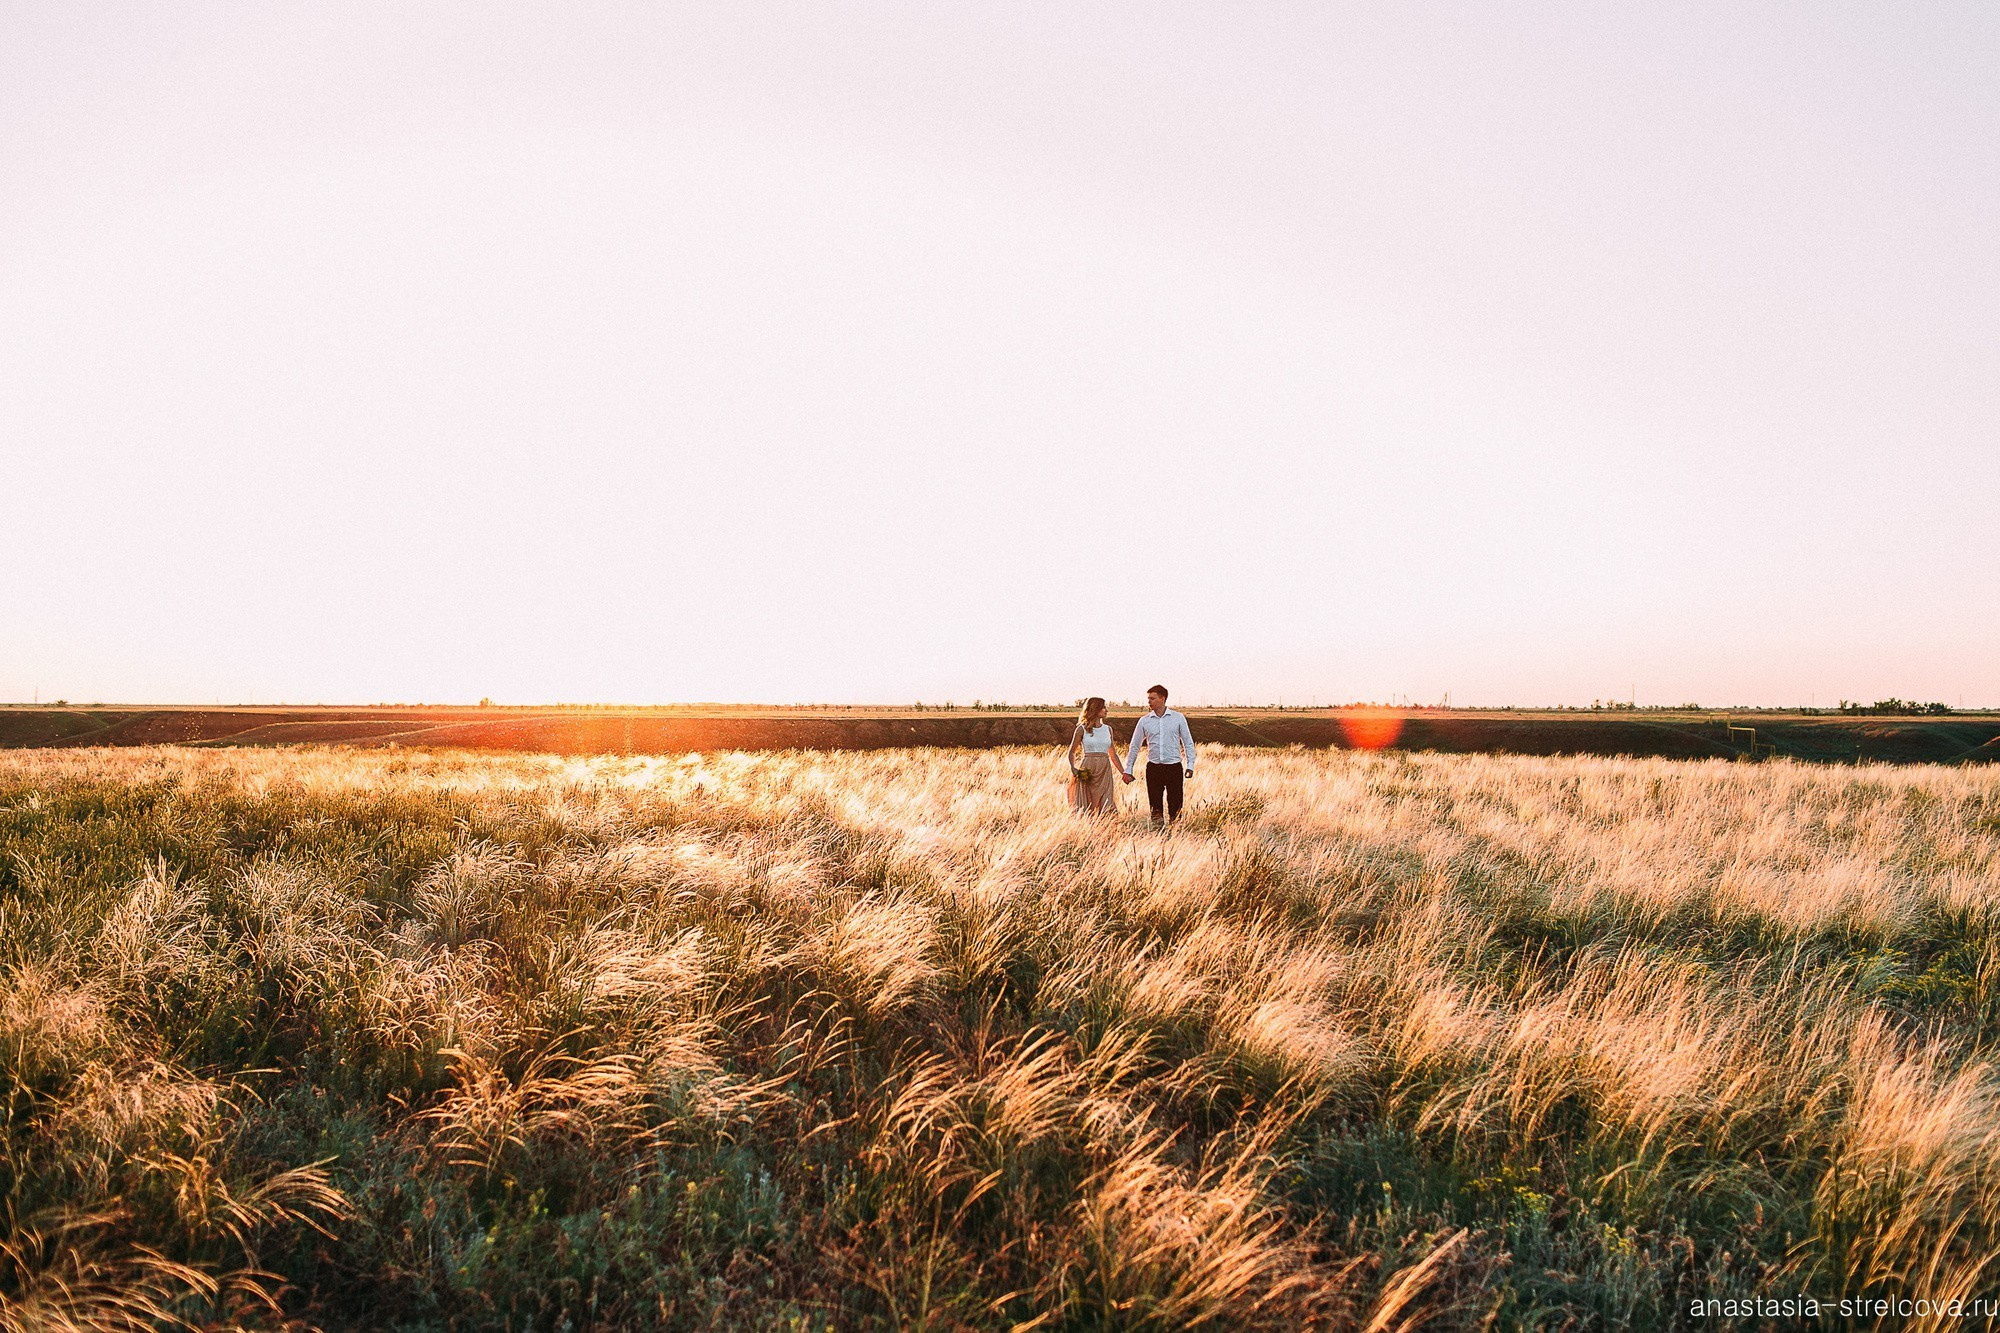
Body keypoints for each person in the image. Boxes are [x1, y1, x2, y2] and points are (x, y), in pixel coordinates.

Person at [1124, 684, 1195, 825]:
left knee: (1176, 806)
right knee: (1155, 806)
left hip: (1174, 767)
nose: (1149, 702)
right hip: (1153, 768)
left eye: (1152, 698)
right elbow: (1134, 746)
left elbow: (1188, 743)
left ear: (1162, 698)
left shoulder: (1178, 718)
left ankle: (1176, 832)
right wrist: (1128, 769)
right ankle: (1158, 833)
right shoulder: (1144, 721)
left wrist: (1190, 765)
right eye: (1148, 698)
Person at [1067, 696, 1129, 814]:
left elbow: (1113, 754)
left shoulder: (1108, 729)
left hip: (1105, 769)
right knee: (1086, 803)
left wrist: (1123, 773)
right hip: (1087, 769)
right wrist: (1073, 768)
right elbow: (1072, 751)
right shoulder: (1081, 729)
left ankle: (1107, 824)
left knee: (1107, 804)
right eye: (1103, 707)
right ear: (1095, 709)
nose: (1106, 710)